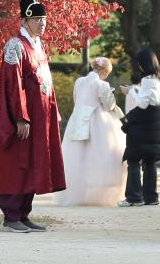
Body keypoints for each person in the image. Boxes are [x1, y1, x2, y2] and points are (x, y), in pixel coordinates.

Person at [0, 0, 65, 233]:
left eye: (44, 19)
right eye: (36, 19)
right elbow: (14, 84)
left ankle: (23, 213)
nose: (41, 23)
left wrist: (53, 112)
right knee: (18, 162)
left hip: (41, 117)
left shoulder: (38, 46)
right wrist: (21, 117)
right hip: (24, 118)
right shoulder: (16, 45)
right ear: (24, 20)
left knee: (34, 162)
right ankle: (11, 215)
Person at [55, 57, 126, 207]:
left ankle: (76, 193)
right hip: (97, 120)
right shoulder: (102, 84)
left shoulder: (79, 82)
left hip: (78, 119)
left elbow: (76, 100)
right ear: (104, 71)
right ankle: (100, 193)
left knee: (76, 157)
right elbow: (109, 105)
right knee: (100, 155)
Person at [119, 48, 160, 207]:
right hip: (156, 122)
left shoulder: (147, 80)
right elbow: (159, 103)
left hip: (142, 124)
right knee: (150, 161)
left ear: (143, 64)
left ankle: (134, 198)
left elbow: (142, 103)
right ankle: (151, 198)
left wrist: (131, 91)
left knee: (133, 159)